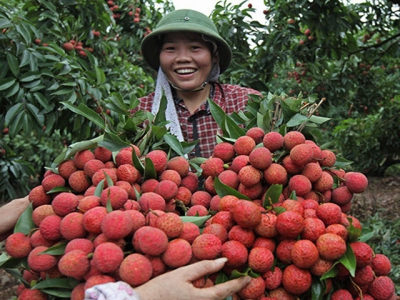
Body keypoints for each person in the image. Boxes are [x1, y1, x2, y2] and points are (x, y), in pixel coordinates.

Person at [134, 8, 262, 159]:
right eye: (170, 49)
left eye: (194, 48)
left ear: (214, 56)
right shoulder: (142, 112)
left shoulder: (247, 103)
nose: (182, 58)